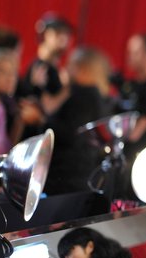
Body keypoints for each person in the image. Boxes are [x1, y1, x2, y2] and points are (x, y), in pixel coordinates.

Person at [43, 47, 107, 195]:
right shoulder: (93, 94)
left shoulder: (83, 95)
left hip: (67, 174)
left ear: (83, 69)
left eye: (71, 65)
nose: (66, 68)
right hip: (77, 171)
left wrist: (43, 121)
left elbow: (71, 132)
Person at [16, 14, 73, 139]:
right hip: (34, 137)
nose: (64, 39)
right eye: (58, 33)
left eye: (66, 34)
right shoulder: (41, 67)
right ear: (45, 35)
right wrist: (68, 89)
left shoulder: (55, 69)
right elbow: (47, 107)